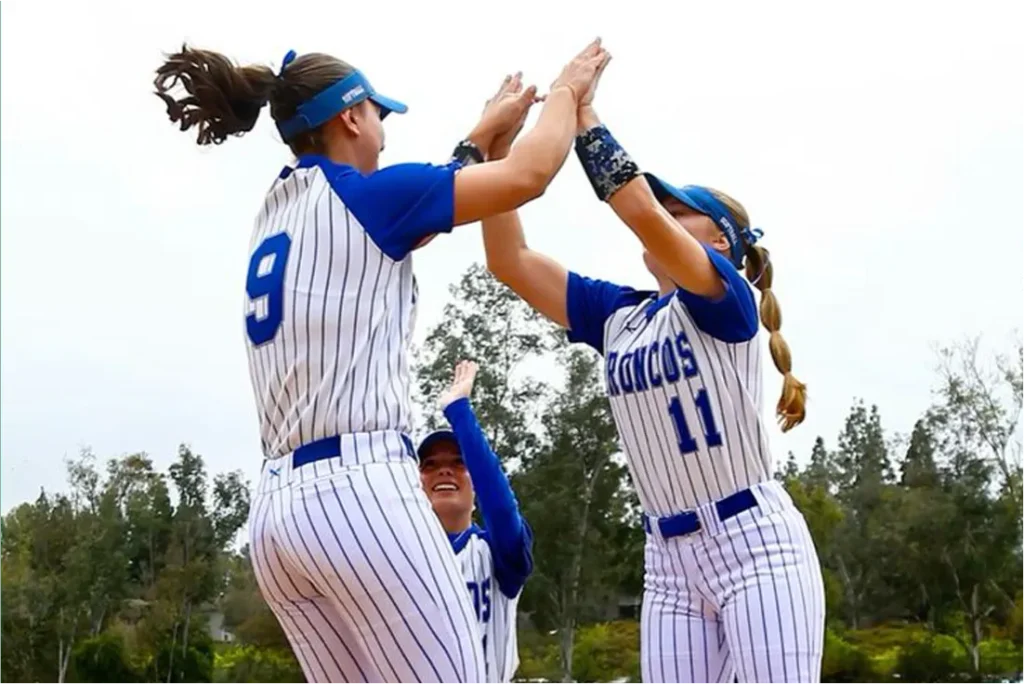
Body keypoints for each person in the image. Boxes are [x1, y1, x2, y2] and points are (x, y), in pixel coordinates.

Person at [153, 40, 609, 684]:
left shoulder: (279, 209)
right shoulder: (369, 198)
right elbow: (529, 175)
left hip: (280, 516)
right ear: (348, 118)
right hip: (361, 492)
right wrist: (567, 89)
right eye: (377, 115)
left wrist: (477, 142)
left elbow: (407, 219)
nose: (383, 132)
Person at [478, 62, 826, 683]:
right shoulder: (620, 315)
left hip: (755, 544)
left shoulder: (727, 300)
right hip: (667, 558)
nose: (664, 212)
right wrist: (500, 157)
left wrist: (583, 115)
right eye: (666, 205)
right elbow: (511, 260)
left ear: (720, 244)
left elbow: (637, 211)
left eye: (680, 210)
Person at [417, 360, 532, 684]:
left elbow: (503, 509)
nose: (444, 470)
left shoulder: (495, 553)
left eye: (458, 462)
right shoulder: (402, 553)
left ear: (475, 480)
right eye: (430, 464)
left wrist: (459, 411)